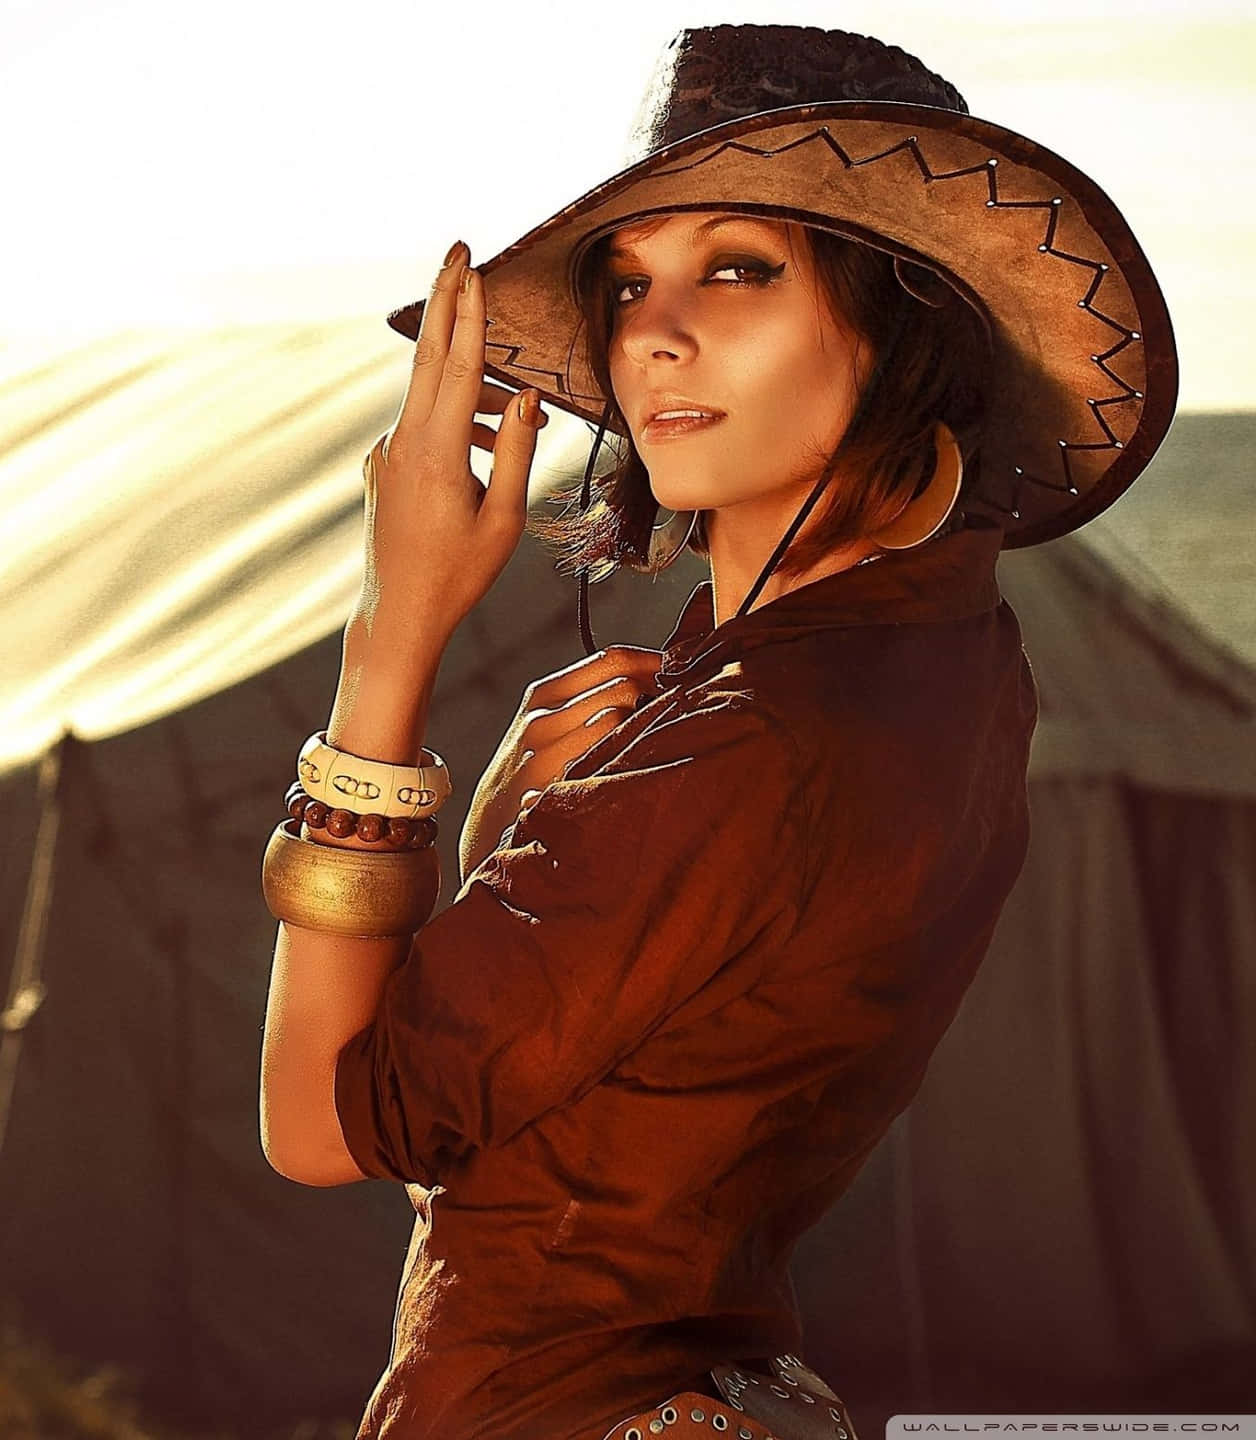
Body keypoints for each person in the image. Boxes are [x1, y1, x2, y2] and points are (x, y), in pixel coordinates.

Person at [257, 23, 1176, 1440]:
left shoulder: (757, 740)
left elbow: (322, 1127)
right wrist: (525, 835)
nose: (655, 333)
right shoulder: (954, 657)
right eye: (627, 283)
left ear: (903, 320)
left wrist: (388, 647)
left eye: (739, 268)